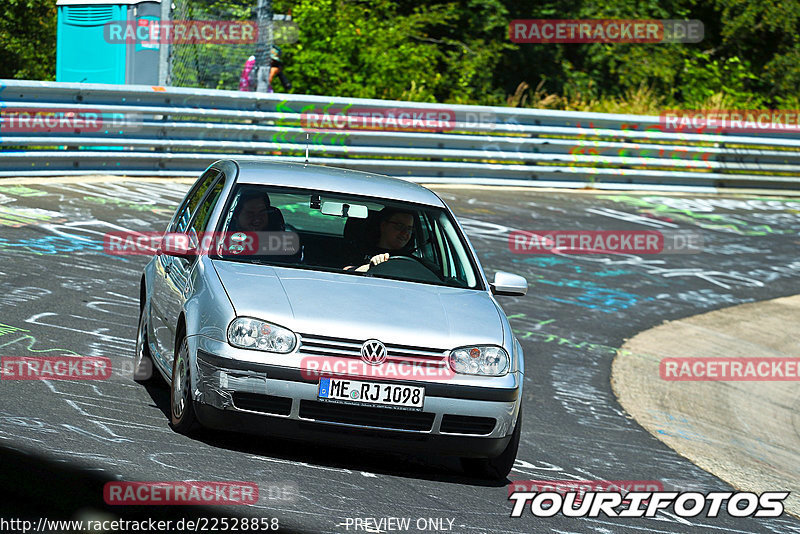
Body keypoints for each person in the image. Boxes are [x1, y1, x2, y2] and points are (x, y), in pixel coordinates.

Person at [345, 208, 415, 272]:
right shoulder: (357, 251)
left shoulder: (412, 261)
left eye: (409, 229)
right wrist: (370, 267)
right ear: (383, 225)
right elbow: (344, 275)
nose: (405, 233)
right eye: (400, 226)